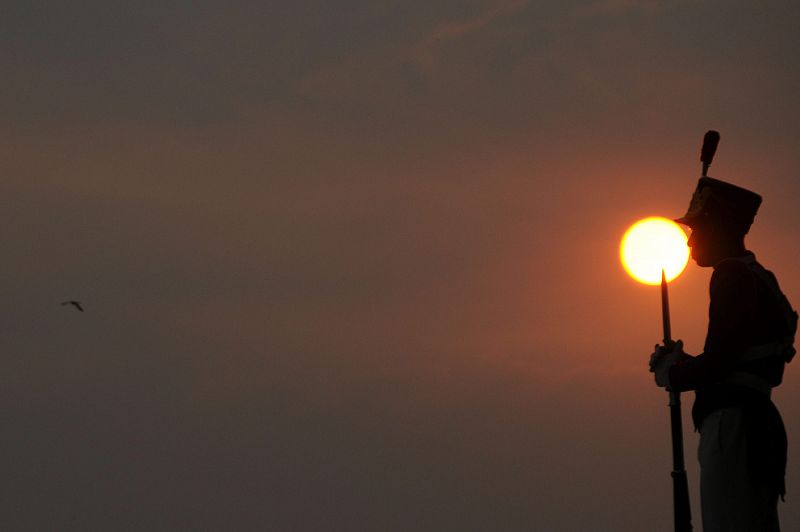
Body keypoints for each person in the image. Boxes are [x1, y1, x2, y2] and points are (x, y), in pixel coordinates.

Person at [650, 176, 797, 532]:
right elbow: (736, 356)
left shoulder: (730, 274)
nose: (691, 239)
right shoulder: (760, 276)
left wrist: (673, 374)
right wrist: (685, 364)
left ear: (720, 228)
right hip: (753, 420)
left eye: (698, 228)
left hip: (734, 424)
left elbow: (720, 363)